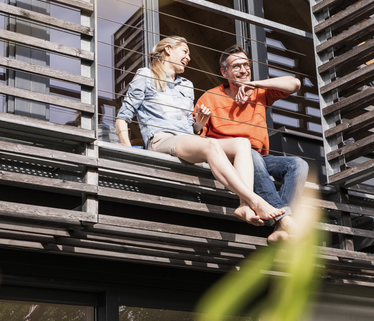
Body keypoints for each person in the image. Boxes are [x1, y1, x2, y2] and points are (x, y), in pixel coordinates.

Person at [115, 36, 284, 229]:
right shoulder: (146, 75)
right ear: (168, 50)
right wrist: (128, 150)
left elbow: (190, 127)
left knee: (242, 143)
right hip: (161, 139)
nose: (188, 58)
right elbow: (123, 116)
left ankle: (244, 205)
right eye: (185, 52)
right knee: (210, 144)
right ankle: (255, 200)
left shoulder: (187, 85)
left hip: (186, 140)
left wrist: (200, 124)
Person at [195, 44, 309, 243]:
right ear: (225, 72)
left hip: (261, 158)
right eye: (237, 66)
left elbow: (295, 84)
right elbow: (198, 138)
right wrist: (198, 125)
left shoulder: (258, 92)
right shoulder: (210, 97)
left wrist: (256, 84)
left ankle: (281, 225)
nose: (243, 70)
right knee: (249, 151)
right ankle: (284, 218)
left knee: (299, 164)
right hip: (232, 159)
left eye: (246, 65)